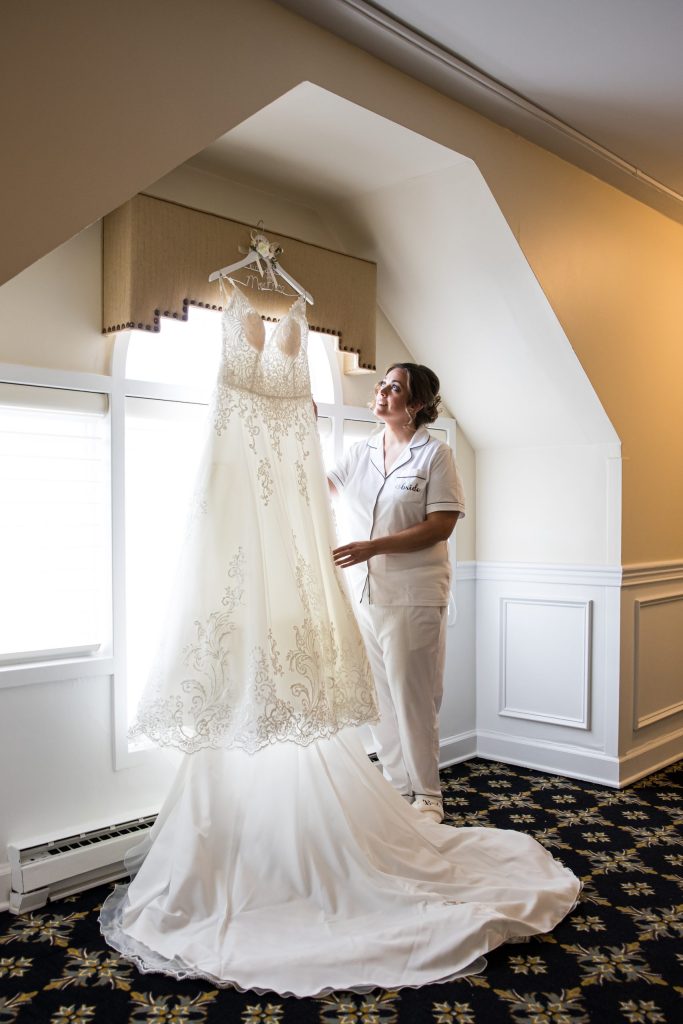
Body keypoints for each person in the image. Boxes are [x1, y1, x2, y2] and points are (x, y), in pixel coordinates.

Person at [329, 363, 465, 823]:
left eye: (395, 387)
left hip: (413, 595)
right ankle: (396, 785)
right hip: (364, 595)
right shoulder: (360, 451)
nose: (382, 392)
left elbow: (440, 526)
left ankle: (428, 795)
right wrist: (297, 431)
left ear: (417, 403)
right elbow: (317, 487)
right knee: (380, 701)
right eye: (382, 385)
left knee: (413, 700)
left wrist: (373, 547)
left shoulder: (435, 455)